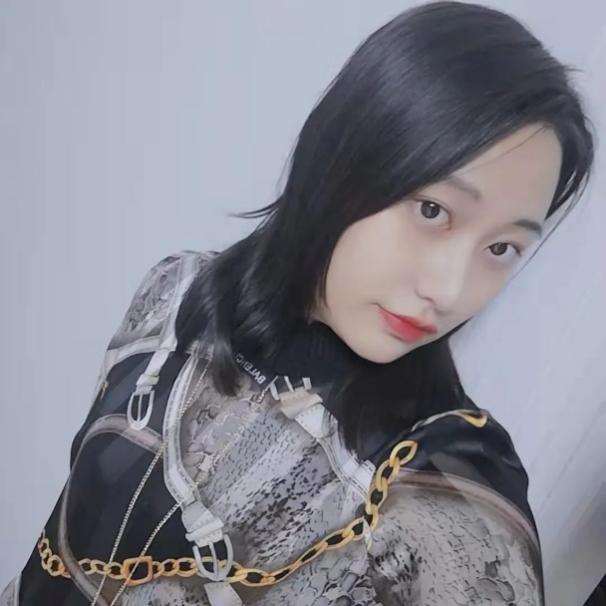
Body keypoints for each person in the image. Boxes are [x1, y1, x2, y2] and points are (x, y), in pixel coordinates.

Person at [1, 1, 595, 605]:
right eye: (433, 210)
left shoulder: (448, 473)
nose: (449, 290)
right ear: (345, 157)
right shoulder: (177, 291)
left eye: (500, 248)